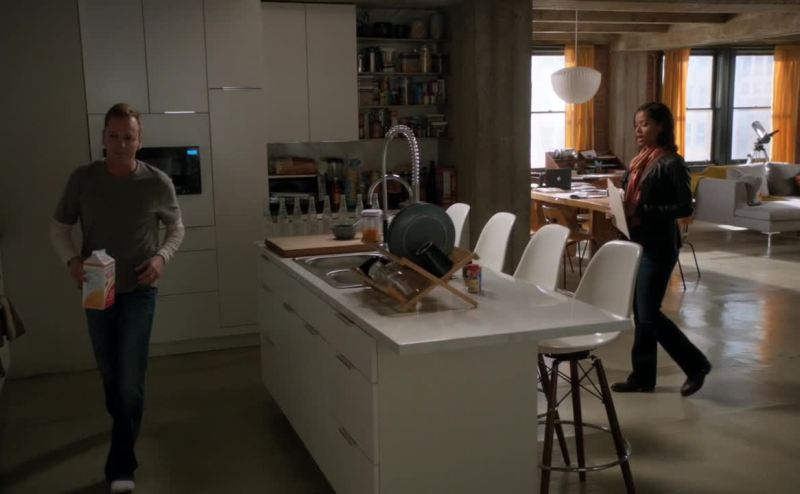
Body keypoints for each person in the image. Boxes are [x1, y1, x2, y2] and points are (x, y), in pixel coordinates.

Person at [50, 103, 184, 493]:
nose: (121, 144)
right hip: (97, 283)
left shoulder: (157, 182)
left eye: (129, 137)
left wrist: (162, 257)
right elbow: (58, 228)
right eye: (114, 136)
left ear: (139, 140)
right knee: (110, 373)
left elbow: (176, 228)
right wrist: (71, 261)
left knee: (130, 377)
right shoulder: (83, 179)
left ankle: (121, 464)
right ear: (103, 138)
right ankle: (123, 419)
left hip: (140, 288)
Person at [611, 101, 711, 397]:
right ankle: (642, 376)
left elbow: (685, 207)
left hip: (659, 245)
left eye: (644, 124)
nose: (638, 130)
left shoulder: (671, 162)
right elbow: (632, 199)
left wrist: (644, 210)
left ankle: (696, 365)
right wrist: (619, 209)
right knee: (641, 313)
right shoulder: (639, 161)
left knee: (649, 313)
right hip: (637, 242)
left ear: (661, 126)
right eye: (636, 125)